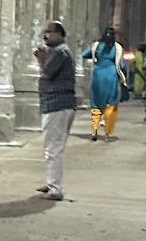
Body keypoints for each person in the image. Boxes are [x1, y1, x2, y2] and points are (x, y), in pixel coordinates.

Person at [33, 20, 76, 200]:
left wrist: (41, 61)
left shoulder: (59, 52)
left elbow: (46, 74)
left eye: (49, 32)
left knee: (52, 149)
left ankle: (55, 189)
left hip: (57, 105)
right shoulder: (59, 52)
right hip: (61, 104)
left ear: (59, 34)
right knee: (54, 148)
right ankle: (52, 182)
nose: (45, 35)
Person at [82, 26, 125, 141]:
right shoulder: (117, 48)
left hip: (97, 75)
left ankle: (94, 131)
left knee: (96, 104)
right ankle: (107, 134)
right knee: (110, 105)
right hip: (111, 76)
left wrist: (96, 57)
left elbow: (84, 54)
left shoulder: (96, 46)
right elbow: (121, 66)